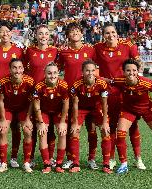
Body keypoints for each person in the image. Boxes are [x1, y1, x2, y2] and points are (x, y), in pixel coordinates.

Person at [93, 23, 146, 170]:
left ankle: (138, 158)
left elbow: (138, 64)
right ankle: (111, 159)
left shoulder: (127, 45)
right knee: (111, 125)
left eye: (113, 32)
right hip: (107, 93)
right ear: (103, 35)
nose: (111, 35)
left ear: (117, 33)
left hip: (126, 91)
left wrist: (137, 81)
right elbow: (92, 68)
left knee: (132, 125)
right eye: (107, 33)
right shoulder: (97, 48)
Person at [111, 59, 152, 175]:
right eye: (128, 70)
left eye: (134, 70)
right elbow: (109, 81)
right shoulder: (120, 80)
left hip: (147, 109)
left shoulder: (146, 82)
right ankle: (123, 164)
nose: (131, 73)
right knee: (121, 133)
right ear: (123, 71)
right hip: (129, 110)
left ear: (138, 71)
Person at [57, 22, 95, 169]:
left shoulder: (90, 51)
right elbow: (56, 70)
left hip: (90, 95)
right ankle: (70, 158)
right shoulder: (64, 53)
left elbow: (98, 69)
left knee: (91, 128)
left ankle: (91, 158)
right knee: (71, 128)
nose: (75, 33)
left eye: (77, 31)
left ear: (82, 33)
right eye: (72, 32)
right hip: (71, 96)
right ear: (67, 35)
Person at [0, 21, 23, 168]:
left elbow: (22, 70)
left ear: (11, 32)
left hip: (15, 93)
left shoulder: (19, 50)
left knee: (15, 126)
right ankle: (0, 156)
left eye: (7, 31)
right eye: (2, 31)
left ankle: (13, 157)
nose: (5, 34)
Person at [23, 24, 58, 167]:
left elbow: (58, 69)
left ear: (49, 36)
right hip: (33, 94)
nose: (43, 36)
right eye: (40, 34)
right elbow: (23, 67)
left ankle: (49, 157)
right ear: (36, 36)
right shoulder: (29, 50)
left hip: (50, 94)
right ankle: (30, 158)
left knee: (48, 128)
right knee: (33, 126)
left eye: (46, 34)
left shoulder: (55, 51)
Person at [69, 59, 111, 173]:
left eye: (93, 70)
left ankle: (105, 163)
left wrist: (105, 122)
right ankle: (75, 163)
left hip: (97, 108)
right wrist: (74, 122)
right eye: (87, 71)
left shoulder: (102, 83)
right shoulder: (77, 84)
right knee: (74, 131)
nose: (90, 73)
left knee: (105, 131)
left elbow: (104, 103)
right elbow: (75, 104)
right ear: (82, 72)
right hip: (81, 109)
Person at [0, 58, 35, 173]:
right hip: (8, 109)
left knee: (28, 131)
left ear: (23, 69)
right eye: (14, 67)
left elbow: (32, 101)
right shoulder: (2, 82)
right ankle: (3, 162)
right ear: (10, 69)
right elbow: (0, 101)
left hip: (23, 109)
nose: (17, 71)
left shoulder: (30, 81)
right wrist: (2, 119)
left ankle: (26, 162)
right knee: (3, 130)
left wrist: (28, 119)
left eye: (19, 68)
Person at [33, 62, 69, 173]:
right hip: (44, 112)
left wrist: (63, 122)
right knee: (42, 132)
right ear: (44, 73)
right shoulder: (39, 86)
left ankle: (59, 163)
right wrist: (41, 122)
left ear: (58, 73)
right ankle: (46, 163)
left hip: (58, 112)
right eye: (49, 73)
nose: (52, 76)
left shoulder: (63, 85)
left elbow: (66, 104)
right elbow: (36, 106)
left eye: (54, 73)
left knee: (62, 132)